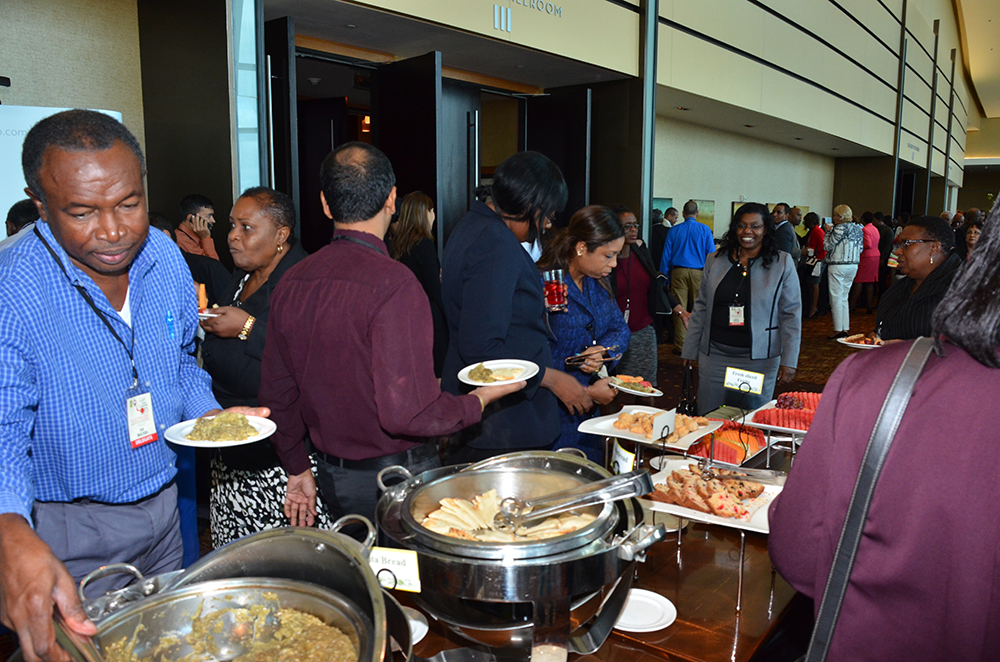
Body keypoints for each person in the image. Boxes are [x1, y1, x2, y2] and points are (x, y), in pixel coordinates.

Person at [0, 109, 265, 661]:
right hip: (70, 531)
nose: (114, 231)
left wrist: (209, 416)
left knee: (168, 648)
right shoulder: (14, 287)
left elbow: (181, 363)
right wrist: (9, 529)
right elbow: (4, 427)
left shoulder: (163, 257)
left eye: (129, 203)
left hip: (166, 512)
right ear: (39, 203)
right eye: (82, 212)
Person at [768, 198, 1000, 662]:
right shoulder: (898, 295)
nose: (898, 251)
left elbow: (799, 550)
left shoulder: (875, 382)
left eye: (908, 245)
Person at [259, 142, 521, 528]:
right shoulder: (394, 284)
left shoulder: (292, 280)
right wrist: (478, 400)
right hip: (395, 479)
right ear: (392, 200)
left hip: (331, 475)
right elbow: (409, 413)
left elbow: (277, 396)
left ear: (326, 205)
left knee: (358, 563)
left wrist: (297, 468)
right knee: (406, 568)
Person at [200, 187, 332, 548]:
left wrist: (247, 327)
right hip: (233, 450)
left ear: (280, 236)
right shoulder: (242, 275)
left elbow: (311, 358)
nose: (233, 236)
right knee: (236, 562)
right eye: (232, 225)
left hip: (283, 459)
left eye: (246, 228)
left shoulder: (305, 281)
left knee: (284, 562)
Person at [441, 152, 594, 463]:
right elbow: (480, 347)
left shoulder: (473, 224)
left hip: (489, 424)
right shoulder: (495, 244)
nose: (548, 225)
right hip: (501, 426)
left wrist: (532, 304)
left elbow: (487, 311)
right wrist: (552, 379)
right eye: (548, 215)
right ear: (528, 206)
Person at [681, 203, 801, 413]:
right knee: (710, 418)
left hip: (758, 360)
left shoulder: (781, 263)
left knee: (750, 420)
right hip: (715, 356)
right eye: (742, 225)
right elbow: (701, 307)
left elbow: (791, 314)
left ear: (766, 229)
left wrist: (789, 360)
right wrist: (689, 348)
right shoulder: (715, 260)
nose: (747, 231)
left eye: (755, 226)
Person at [537, 206, 629, 462]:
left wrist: (603, 351)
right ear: (581, 248)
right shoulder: (544, 282)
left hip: (590, 416)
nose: (614, 264)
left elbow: (620, 329)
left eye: (617, 256)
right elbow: (527, 354)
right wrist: (585, 391)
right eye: (608, 255)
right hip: (551, 412)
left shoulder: (597, 281)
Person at [609, 205, 686, 385]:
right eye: (627, 226)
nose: (633, 229)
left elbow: (656, 283)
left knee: (646, 387)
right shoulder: (606, 259)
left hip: (642, 330)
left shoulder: (640, 250)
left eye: (635, 225)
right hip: (612, 334)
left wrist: (680, 310)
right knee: (613, 388)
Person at [387, 191, 448, 377]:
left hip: (408, 315)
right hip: (431, 317)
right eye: (431, 210)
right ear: (424, 213)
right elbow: (435, 290)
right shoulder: (423, 244)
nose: (433, 215)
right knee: (438, 372)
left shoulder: (399, 245)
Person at [874, 215, 961, 341]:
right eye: (899, 245)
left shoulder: (961, 289)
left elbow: (968, 343)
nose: (898, 252)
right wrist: (876, 337)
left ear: (934, 247)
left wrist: (907, 347)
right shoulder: (902, 286)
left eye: (906, 244)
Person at [660, 200, 716, 352]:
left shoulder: (674, 230)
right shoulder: (705, 230)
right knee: (700, 308)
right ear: (697, 213)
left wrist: (664, 278)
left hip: (679, 272)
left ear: (683, 213)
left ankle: (682, 346)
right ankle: (700, 344)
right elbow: (711, 256)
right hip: (699, 273)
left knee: (680, 309)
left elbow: (666, 256)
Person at [824, 204, 863, 339]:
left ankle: (838, 330)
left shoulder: (839, 228)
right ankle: (845, 327)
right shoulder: (858, 228)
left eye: (835, 215)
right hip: (853, 265)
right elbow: (861, 248)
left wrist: (828, 232)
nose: (834, 217)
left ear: (840, 217)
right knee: (844, 297)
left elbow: (827, 246)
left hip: (837, 265)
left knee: (835, 298)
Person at [849, 211, 881, 313]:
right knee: (869, 282)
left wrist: (856, 245)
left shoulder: (865, 230)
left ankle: (852, 305)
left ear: (863, 220)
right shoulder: (875, 229)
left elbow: (868, 244)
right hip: (875, 256)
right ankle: (869, 305)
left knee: (858, 281)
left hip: (866, 257)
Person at [175, 193, 220, 260]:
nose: (213, 221)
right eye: (208, 216)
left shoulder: (195, 237)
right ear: (191, 219)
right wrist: (206, 237)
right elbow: (213, 264)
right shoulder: (182, 241)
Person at [802, 212, 826, 319]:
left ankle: (813, 308)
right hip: (814, 259)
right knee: (810, 283)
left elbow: (822, 247)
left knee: (814, 283)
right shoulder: (813, 231)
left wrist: (818, 259)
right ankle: (812, 307)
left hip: (818, 260)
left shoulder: (817, 231)